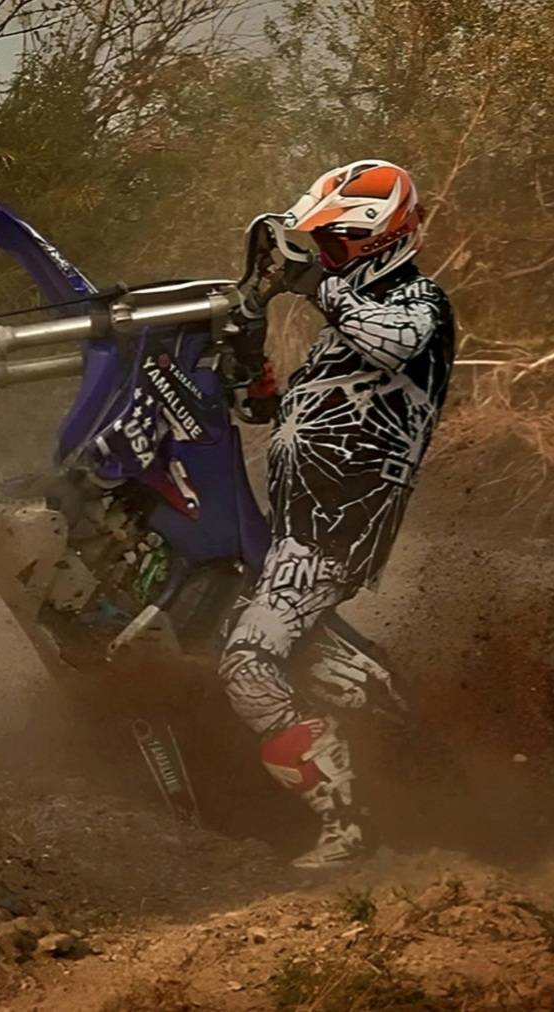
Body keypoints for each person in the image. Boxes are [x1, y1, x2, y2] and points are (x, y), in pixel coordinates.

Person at [220, 160, 455, 868]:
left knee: (247, 665)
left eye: (332, 243)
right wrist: (249, 328)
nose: (321, 255)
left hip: (336, 526)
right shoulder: (341, 324)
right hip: (297, 524)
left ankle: (349, 825)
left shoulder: (419, 304)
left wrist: (311, 284)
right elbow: (264, 407)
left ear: (376, 239)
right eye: (316, 245)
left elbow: (395, 342)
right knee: (306, 660)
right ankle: (414, 752)